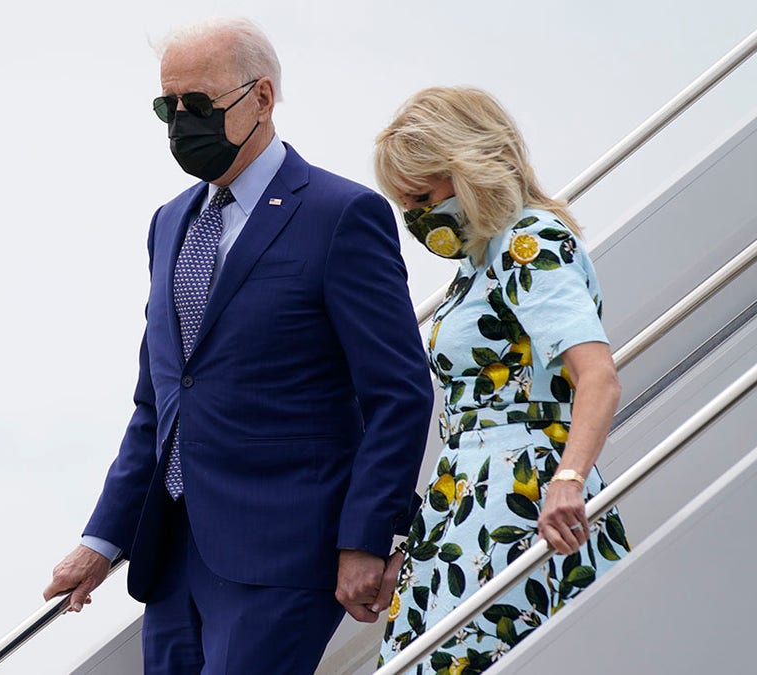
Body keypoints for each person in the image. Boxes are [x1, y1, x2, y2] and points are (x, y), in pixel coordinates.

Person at [42, 18, 435, 674]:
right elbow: (159, 403)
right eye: (170, 107)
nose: (181, 124)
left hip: (285, 557)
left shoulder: (341, 216)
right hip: (171, 561)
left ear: (262, 99)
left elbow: (399, 393)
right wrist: (101, 538)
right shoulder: (170, 223)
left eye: (200, 105)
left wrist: (367, 536)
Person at [373, 87, 633, 673]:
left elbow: (597, 377)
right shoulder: (480, 262)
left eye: (423, 196)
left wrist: (569, 479)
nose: (416, 218)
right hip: (467, 500)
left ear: (467, 167)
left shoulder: (529, 241)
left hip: (522, 493)